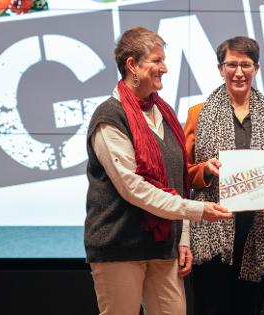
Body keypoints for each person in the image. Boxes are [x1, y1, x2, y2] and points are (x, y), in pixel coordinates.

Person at [84, 27, 232, 315]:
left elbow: (176, 181)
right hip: (119, 246)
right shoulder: (109, 116)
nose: (164, 68)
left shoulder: (163, 113)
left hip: (163, 246)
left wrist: (183, 239)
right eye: (156, 60)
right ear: (132, 65)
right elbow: (132, 187)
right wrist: (197, 210)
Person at [183, 36, 264, 315]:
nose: (238, 72)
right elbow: (184, 173)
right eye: (231, 64)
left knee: (250, 308)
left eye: (245, 64)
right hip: (212, 228)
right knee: (210, 307)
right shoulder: (197, 114)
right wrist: (206, 170)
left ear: (256, 68)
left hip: (258, 230)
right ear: (220, 68)